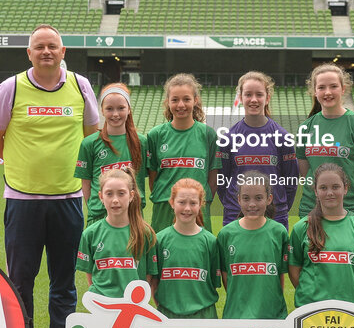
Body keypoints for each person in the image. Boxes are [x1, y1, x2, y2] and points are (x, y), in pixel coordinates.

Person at [0, 24, 100, 328]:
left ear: (63, 52)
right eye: (39, 47)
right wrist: (23, 165)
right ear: (29, 53)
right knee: (21, 279)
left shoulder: (81, 86)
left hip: (67, 200)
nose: (46, 51)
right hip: (23, 201)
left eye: (53, 46)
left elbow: (91, 136)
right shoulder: (11, 88)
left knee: (64, 280)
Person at [288, 163, 354, 308]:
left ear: (345, 188)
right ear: (315, 191)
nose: (329, 193)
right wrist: (310, 298)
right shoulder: (302, 227)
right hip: (310, 311)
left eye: (335, 187)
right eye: (323, 188)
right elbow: (294, 272)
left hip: (350, 312)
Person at [295, 63, 354, 218]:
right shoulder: (305, 128)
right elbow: (305, 173)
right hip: (312, 211)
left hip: (351, 211)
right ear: (314, 91)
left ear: (343, 88)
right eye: (321, 87)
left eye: (333, 86)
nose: (327, 92)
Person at [217, 71, 298, 228]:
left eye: (259, 95)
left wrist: (277, 206)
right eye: (248, 94)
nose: (253, 99)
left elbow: (291, 181)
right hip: (236, 216)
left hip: (274, 216)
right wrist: (236, 205)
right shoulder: (229, 137)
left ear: (267, 98)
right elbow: (222, 181)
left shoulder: (282, 136)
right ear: (240, 98)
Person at [146, 73, 221, 233]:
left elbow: (213, 177)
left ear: (195, 100)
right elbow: (153, 177)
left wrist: (199, 200)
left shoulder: (208, 134)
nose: (181, 105)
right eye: (175, 100)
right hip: (164, 208)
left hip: (197, 209)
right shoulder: (156, 135)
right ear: (167, 102)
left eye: (186, 99)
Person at [217, 171, 290, 319]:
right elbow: (227, 278)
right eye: (246, 198)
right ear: (238, 199)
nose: (252, 204)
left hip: (272, 317)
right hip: (236, 316)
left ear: (269, 199)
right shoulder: (226, 234)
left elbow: (278, 276)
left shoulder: (278, 232)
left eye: (258, 198)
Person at [76, 167, 157, 299]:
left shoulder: (145, 232)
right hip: (101, 305)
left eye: (121, 193)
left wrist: (138, 300)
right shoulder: (90, 233)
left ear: (131, 196)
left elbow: (148, 275)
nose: (115, 200)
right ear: (101, 197)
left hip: (134, 306)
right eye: (109, 194)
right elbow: (90, 275)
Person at [74, 83, 147, 226]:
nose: (115, 114)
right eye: (109, 109)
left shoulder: (141, 142)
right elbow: (86, 182)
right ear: (101, 110)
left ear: (129, 110)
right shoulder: (89, 143)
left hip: (133, 215)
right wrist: (95, 206)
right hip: (100, 215)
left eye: (121, 108)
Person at [153, 178, 220, 319]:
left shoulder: (211, 242)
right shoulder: (159, 240)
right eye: (181, 202)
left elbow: (212, 283)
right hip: (167, 315)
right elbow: (154, 281)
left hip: (203, 316)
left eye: (193, 203)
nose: (187, 208)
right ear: (172, 203)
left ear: (201, 204)